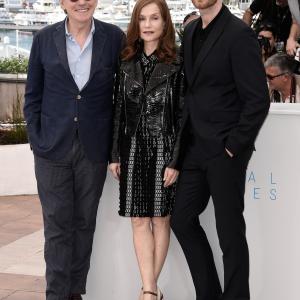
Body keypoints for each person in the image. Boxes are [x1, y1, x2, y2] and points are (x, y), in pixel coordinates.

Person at [23, 0, 124, 298]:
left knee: (84, 225)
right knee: (57, 226)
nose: (82, 2)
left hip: (93, 148)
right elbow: (32, 97)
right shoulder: (44, 39)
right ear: (62, 3)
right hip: (52, 149)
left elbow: (121, 93)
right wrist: (37, 140)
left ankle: (74, 292)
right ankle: (56, 294)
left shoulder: (113, 38)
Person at [170, 1, 270, 300]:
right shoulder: (189, 33)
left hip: (225, 151)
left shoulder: (239, 34)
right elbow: (192, 93)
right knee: (181, 219)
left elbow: (257, 100)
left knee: (230, 234)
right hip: (194, 149)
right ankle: (210, 294)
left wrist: (233, 147)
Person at [109, 0, 184, 299]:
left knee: (160, 218)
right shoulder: (125, 61)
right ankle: (150, 289)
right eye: (143, 18)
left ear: (165, 23)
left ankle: (148, 290)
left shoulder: (177, 63)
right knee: (138, 219)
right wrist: (114, 153)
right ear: (136, 24)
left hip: (164, 148)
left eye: (155, 18)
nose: (149, 24)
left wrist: (176, 159)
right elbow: (117, 111)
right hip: (132, 148)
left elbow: (183, 115)